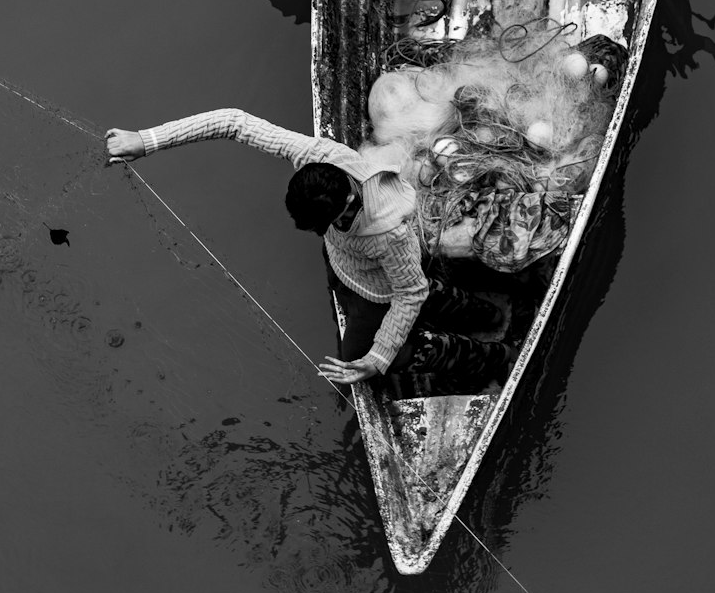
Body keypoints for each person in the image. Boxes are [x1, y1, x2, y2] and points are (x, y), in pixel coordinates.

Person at [104, 108, 510, 389]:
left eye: (321, 225)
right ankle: (482, 310)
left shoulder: (389, 233)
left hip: (378, 289)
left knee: (360, 359)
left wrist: (379, 358)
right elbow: (234, 122)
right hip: (347, 264)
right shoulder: (319, 157)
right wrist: (148, 140)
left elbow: (409, 291)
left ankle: (486, 354)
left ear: (346, 206)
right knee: (405, 288)